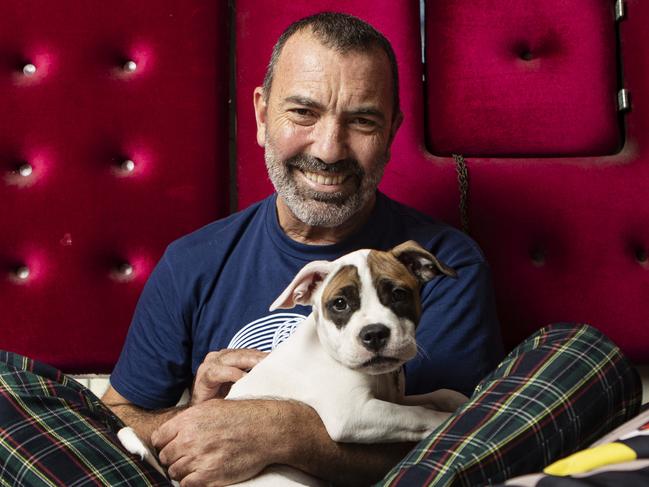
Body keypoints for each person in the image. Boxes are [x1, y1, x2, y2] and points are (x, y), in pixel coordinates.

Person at [0, 12, 641, 487]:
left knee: (580, 354)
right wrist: (197, 415)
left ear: (391, 130)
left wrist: (285, 432)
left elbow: (471, 443)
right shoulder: (194, 261)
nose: (329, 149)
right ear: (260, 115)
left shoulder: (444, 262)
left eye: (361, 120)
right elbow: (119, 422)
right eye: (303, 112)